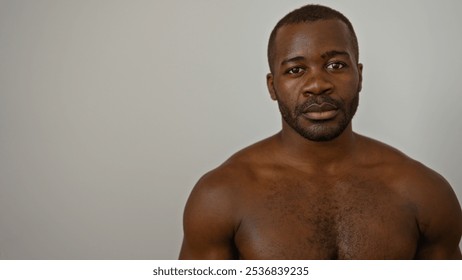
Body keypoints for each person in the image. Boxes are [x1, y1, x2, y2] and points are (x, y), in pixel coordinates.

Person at [178, 4, 462, 259]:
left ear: (359, 76)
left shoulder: (423, 192)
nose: (317, 84)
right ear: (272, 87)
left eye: (335, 65)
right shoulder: (221, 196)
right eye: (295, 70)